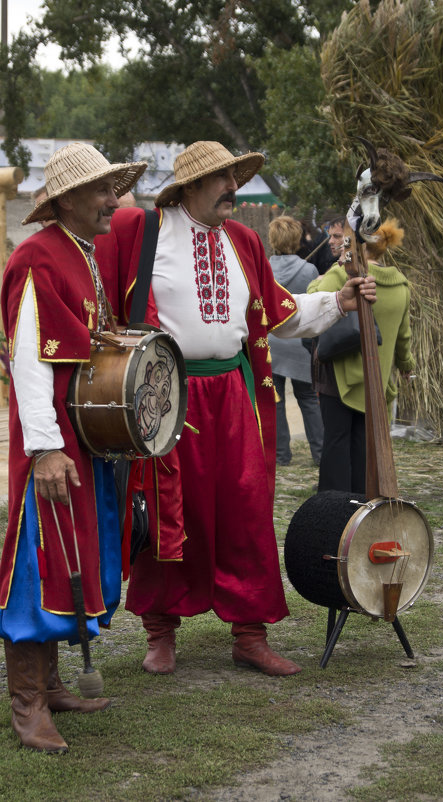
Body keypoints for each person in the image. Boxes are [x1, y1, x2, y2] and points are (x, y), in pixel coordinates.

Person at [95, 140, 376, 678]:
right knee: (170, 510)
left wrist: (337, 302)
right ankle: (160, 631)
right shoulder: (145, 233)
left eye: (234, 177)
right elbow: (99, 293)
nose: (233, 188)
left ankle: (250, 633)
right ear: (192, 187)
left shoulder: (244, 240)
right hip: (169, 394)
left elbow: (277, 311)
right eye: (223, 179)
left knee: (246, 510)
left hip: (235, 394)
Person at [0, 142, 147, 753]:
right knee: (42, 564)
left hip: (77, 438)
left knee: (72, 557)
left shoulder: (82, 251)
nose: (112, 200)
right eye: (99, 190)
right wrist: (44, 449)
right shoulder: (37, 258)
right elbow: (30, 362)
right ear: (64, 199)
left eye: (113, 188)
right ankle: (27, 705)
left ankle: (54, 683)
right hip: (51, 444)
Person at [307, 218, 415, 494]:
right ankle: (362, 509)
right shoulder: (401, 286)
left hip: (340, 377)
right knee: (363, 447)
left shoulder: (345, 273)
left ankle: (333, 511)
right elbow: (404, 337)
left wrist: (333, 269)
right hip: (376, 380)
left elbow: (312, 299)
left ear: (356, 244)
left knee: (336, 444)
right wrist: (406, 366)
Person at [267, 215, 323, 466]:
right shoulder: (309, 270)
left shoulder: (264, 268)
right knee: (310, 400)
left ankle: (281, 455)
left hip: (271, 343)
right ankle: (321, 455)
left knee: (276, 401)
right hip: (301, 342)